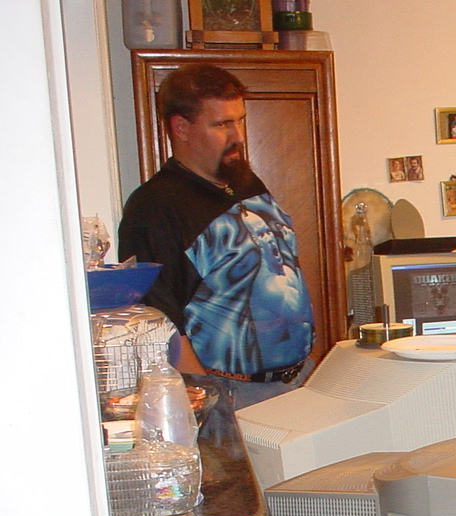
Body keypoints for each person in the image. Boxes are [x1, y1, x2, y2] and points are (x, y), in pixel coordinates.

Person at [118, 63, 315, 409]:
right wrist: (208, 404)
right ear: (181, 127)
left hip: (300, 378)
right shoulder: (154, 207)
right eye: (222, 124)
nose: (238, 135)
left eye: (240, 120)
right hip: (233, 394)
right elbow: (159, 323)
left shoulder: (245, 183)